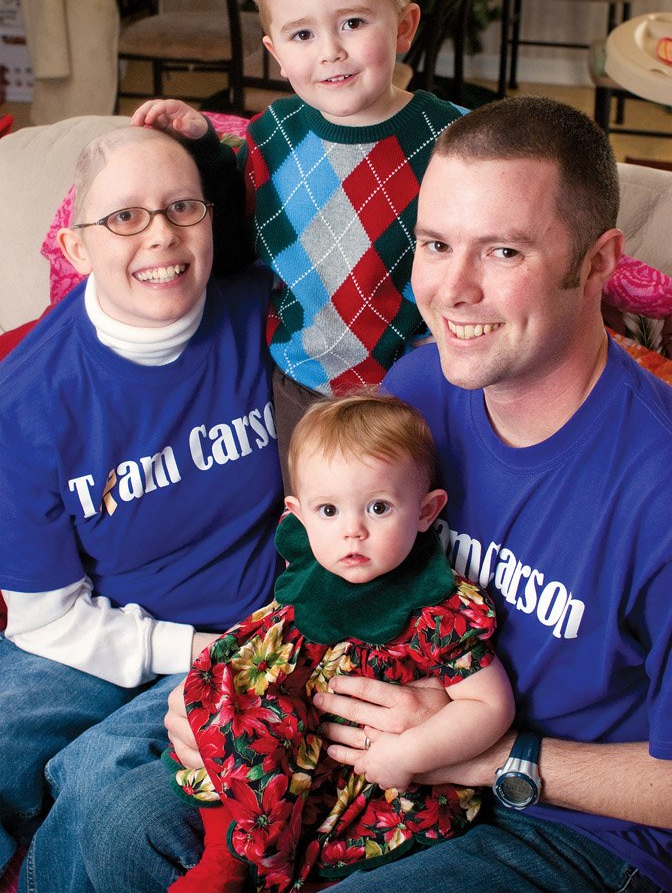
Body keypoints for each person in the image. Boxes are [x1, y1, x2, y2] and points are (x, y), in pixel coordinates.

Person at [157, 96, 671, 893]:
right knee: (108, 810)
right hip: (362, 743)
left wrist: (492, 755)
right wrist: (229, 690)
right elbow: (325, 569)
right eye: (435, 244)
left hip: (574, 832)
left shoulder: (657, 487)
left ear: (599, 262)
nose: (451, 290)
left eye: (502, 252)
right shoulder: (421, 386)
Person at [0, 127, 283, 893]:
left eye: (181, 207)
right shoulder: (27, 398)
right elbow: (44, 619)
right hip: (92, 627)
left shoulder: (268, 317)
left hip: (245, 631)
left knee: (107, 801)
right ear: (78, 246)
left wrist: (205, 130)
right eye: (123, 217)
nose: (160, 234)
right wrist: (182, 648)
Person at [132, 0, 466, 486]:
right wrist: (205, 154)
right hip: (298, 381)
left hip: (419, 382)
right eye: (302, 35)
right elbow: (234, 251)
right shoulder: (273, 135)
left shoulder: (453, 139)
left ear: (405, 26)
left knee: (418, 515)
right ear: (276, 53)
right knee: (314, 524)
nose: (331, 52)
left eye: (353, 23)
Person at [165, 391, 514, 893]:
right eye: (328, 510)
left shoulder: (436, 606)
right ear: (299, 516)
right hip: (291, 726)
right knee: (232, 727)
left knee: (342, 828)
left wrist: (412, 753)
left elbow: (489, 704)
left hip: (364, 760)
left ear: (425, 510)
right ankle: (225, 856)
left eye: (378, 507)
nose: (352, 532)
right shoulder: (308, 565)